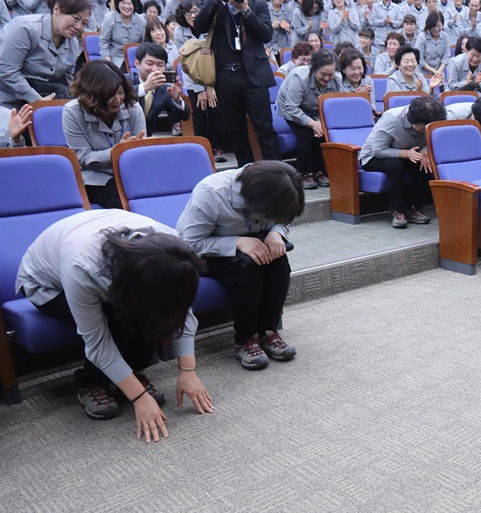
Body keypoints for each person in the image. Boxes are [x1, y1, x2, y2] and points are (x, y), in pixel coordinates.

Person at [16, 209, 214, 441]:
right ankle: (91, 382)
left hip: (115, 276)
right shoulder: (82, 264)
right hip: (49, 285)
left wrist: (188, 370)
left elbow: (178, 309)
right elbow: (96, 339)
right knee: (118, 316)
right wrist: (139, 398)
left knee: (152, 310)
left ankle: (132, 373)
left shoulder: (174, 251)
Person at [176, 161, 305, 370]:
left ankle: (267, 332)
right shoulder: (211, 193)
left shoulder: (278, 181)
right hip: (204, 252)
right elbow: (189, 245)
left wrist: (276, 232)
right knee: (249, 268)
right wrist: (237, 242)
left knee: (278, 262)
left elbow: (285, 217)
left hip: (253, 243)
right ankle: (245, 339)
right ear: (255, 203)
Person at [193, 0, 281, 167]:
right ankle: (245, 173)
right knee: (236, 132)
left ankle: (277, 174)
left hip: (254, 75)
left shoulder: (258, 4)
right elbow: (198, 27)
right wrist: (215, 0)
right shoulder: (214, 3)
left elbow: (266, 35)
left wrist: (245, 10)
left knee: (265, 129)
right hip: (225, 76)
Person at [63, 60, 146, 209]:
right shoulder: (72, 112)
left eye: (120, 92)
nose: (117, 99)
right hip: (96, 176)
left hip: (130, 171)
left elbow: (142, 148)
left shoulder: (133, 107)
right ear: (93, 94)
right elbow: (82, 159)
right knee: (121, 202)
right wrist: (117, 151)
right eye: (109, 94)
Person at [358, 94, 445, 229]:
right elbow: (378, 151)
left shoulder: (432, 119)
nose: (424, 132)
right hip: (374, 157)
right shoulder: (392, 119)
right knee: (396, 166)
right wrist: (405, 153)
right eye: (422, 129)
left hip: (408, 154)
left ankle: (415, 208)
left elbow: (429, 140)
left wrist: (424, 152)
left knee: (423, 164)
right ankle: (398, 211)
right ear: (412, 121)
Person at [0, 0, 89, 108]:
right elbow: (6, 70)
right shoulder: (25, 28)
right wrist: (37, 99)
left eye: (84, 23)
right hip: (9, 100)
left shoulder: (73, 44)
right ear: (57, 9)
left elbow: (66, 79)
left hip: (45, 98)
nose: (78, 26)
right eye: (75, 18)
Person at [276, 48, 339, 189]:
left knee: (322, 136)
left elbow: (334, 105)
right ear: (313, 68)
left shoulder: (337, 80)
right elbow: (291, 107)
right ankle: (305, 173)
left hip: (318, 112)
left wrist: (321, 124)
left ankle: (320, 171)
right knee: (305, 136)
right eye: (323, 74)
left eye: (331, 75)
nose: (327, 79)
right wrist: (312, 123)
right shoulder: (300, 77)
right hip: (292, 110)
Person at [174, 0, 227, 163]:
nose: (192, 15)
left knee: (215, 111)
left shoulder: (209, 26)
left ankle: (218, 147)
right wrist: (201, 90)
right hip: (193, 78)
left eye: (196, 11)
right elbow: (186, 64)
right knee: (199, 113)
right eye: (188, 12)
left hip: (214, 76)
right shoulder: (179, 32)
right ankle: (201, 148)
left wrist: (210, 86)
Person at [131, 42, 189, 135]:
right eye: (149, 63)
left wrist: (177, 100)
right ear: (137, 64)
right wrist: (145, 87)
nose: (155, 69)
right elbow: (118, 98)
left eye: (160, 65)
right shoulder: (124, 81)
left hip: (146, 139)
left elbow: (185, 116)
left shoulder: (165, 90)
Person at [101, 0, 147, 69]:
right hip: (115, 59)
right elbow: (104, 42)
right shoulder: (109, 18)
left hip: (135, 58)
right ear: (117, 4)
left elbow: (144, 42)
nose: (126, 6)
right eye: (123, 3)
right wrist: (108, 60)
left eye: (129, 4)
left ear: (134, 5)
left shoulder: (141, 20)